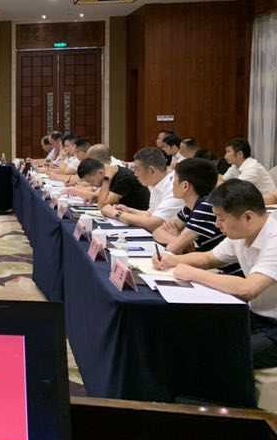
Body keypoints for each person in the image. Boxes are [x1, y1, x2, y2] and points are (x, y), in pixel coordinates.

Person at [153, 180, 277, 369]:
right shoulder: (242, 233)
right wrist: (172, 260)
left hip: (273, 326)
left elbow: (248, 288)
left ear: (248, 217)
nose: (217, 225)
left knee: (219, 355)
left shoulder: (274, 239)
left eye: (221, 218)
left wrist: (193, 274)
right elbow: (209, 258)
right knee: (186, 333)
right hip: (254, 316)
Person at [101, 147, 184, 231]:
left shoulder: (174, 187)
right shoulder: (156, 183)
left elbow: (154, 223)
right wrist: (129, 210)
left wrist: (116, 214)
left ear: (152, 170)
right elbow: (150, 214)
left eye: (137, 169)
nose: (135, 174)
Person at [152, 158, 224, 253]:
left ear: (185, 186)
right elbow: (157, 232)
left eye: (173, 179)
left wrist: (178, 242)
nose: (172, 184)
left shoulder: (205, 207)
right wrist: (178, 240)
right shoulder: (189, 208)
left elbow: (172, 249)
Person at [75, 152, 150, 210]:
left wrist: (106, 179)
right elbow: (101, 197)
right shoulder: (112, 174)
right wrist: (95, 197)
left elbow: (102, 205)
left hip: (138, 220)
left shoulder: (124, 177)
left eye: (92, 181)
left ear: (100, 172)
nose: (92, 185)